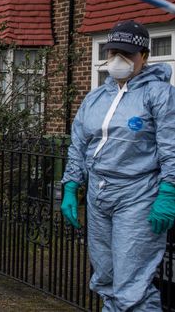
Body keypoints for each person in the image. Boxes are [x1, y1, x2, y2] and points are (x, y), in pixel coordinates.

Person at [61, 20, 175, 311]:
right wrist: (71, 185)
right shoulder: (96, 97)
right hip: (99, 196)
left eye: (127, 55)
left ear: (145, 57)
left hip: (137, 195)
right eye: (113, 53)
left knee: (132, 284)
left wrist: (169, 191)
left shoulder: (159, 95)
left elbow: (171, 146)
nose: (118, 61)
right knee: (106, 278)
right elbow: (79, 142)